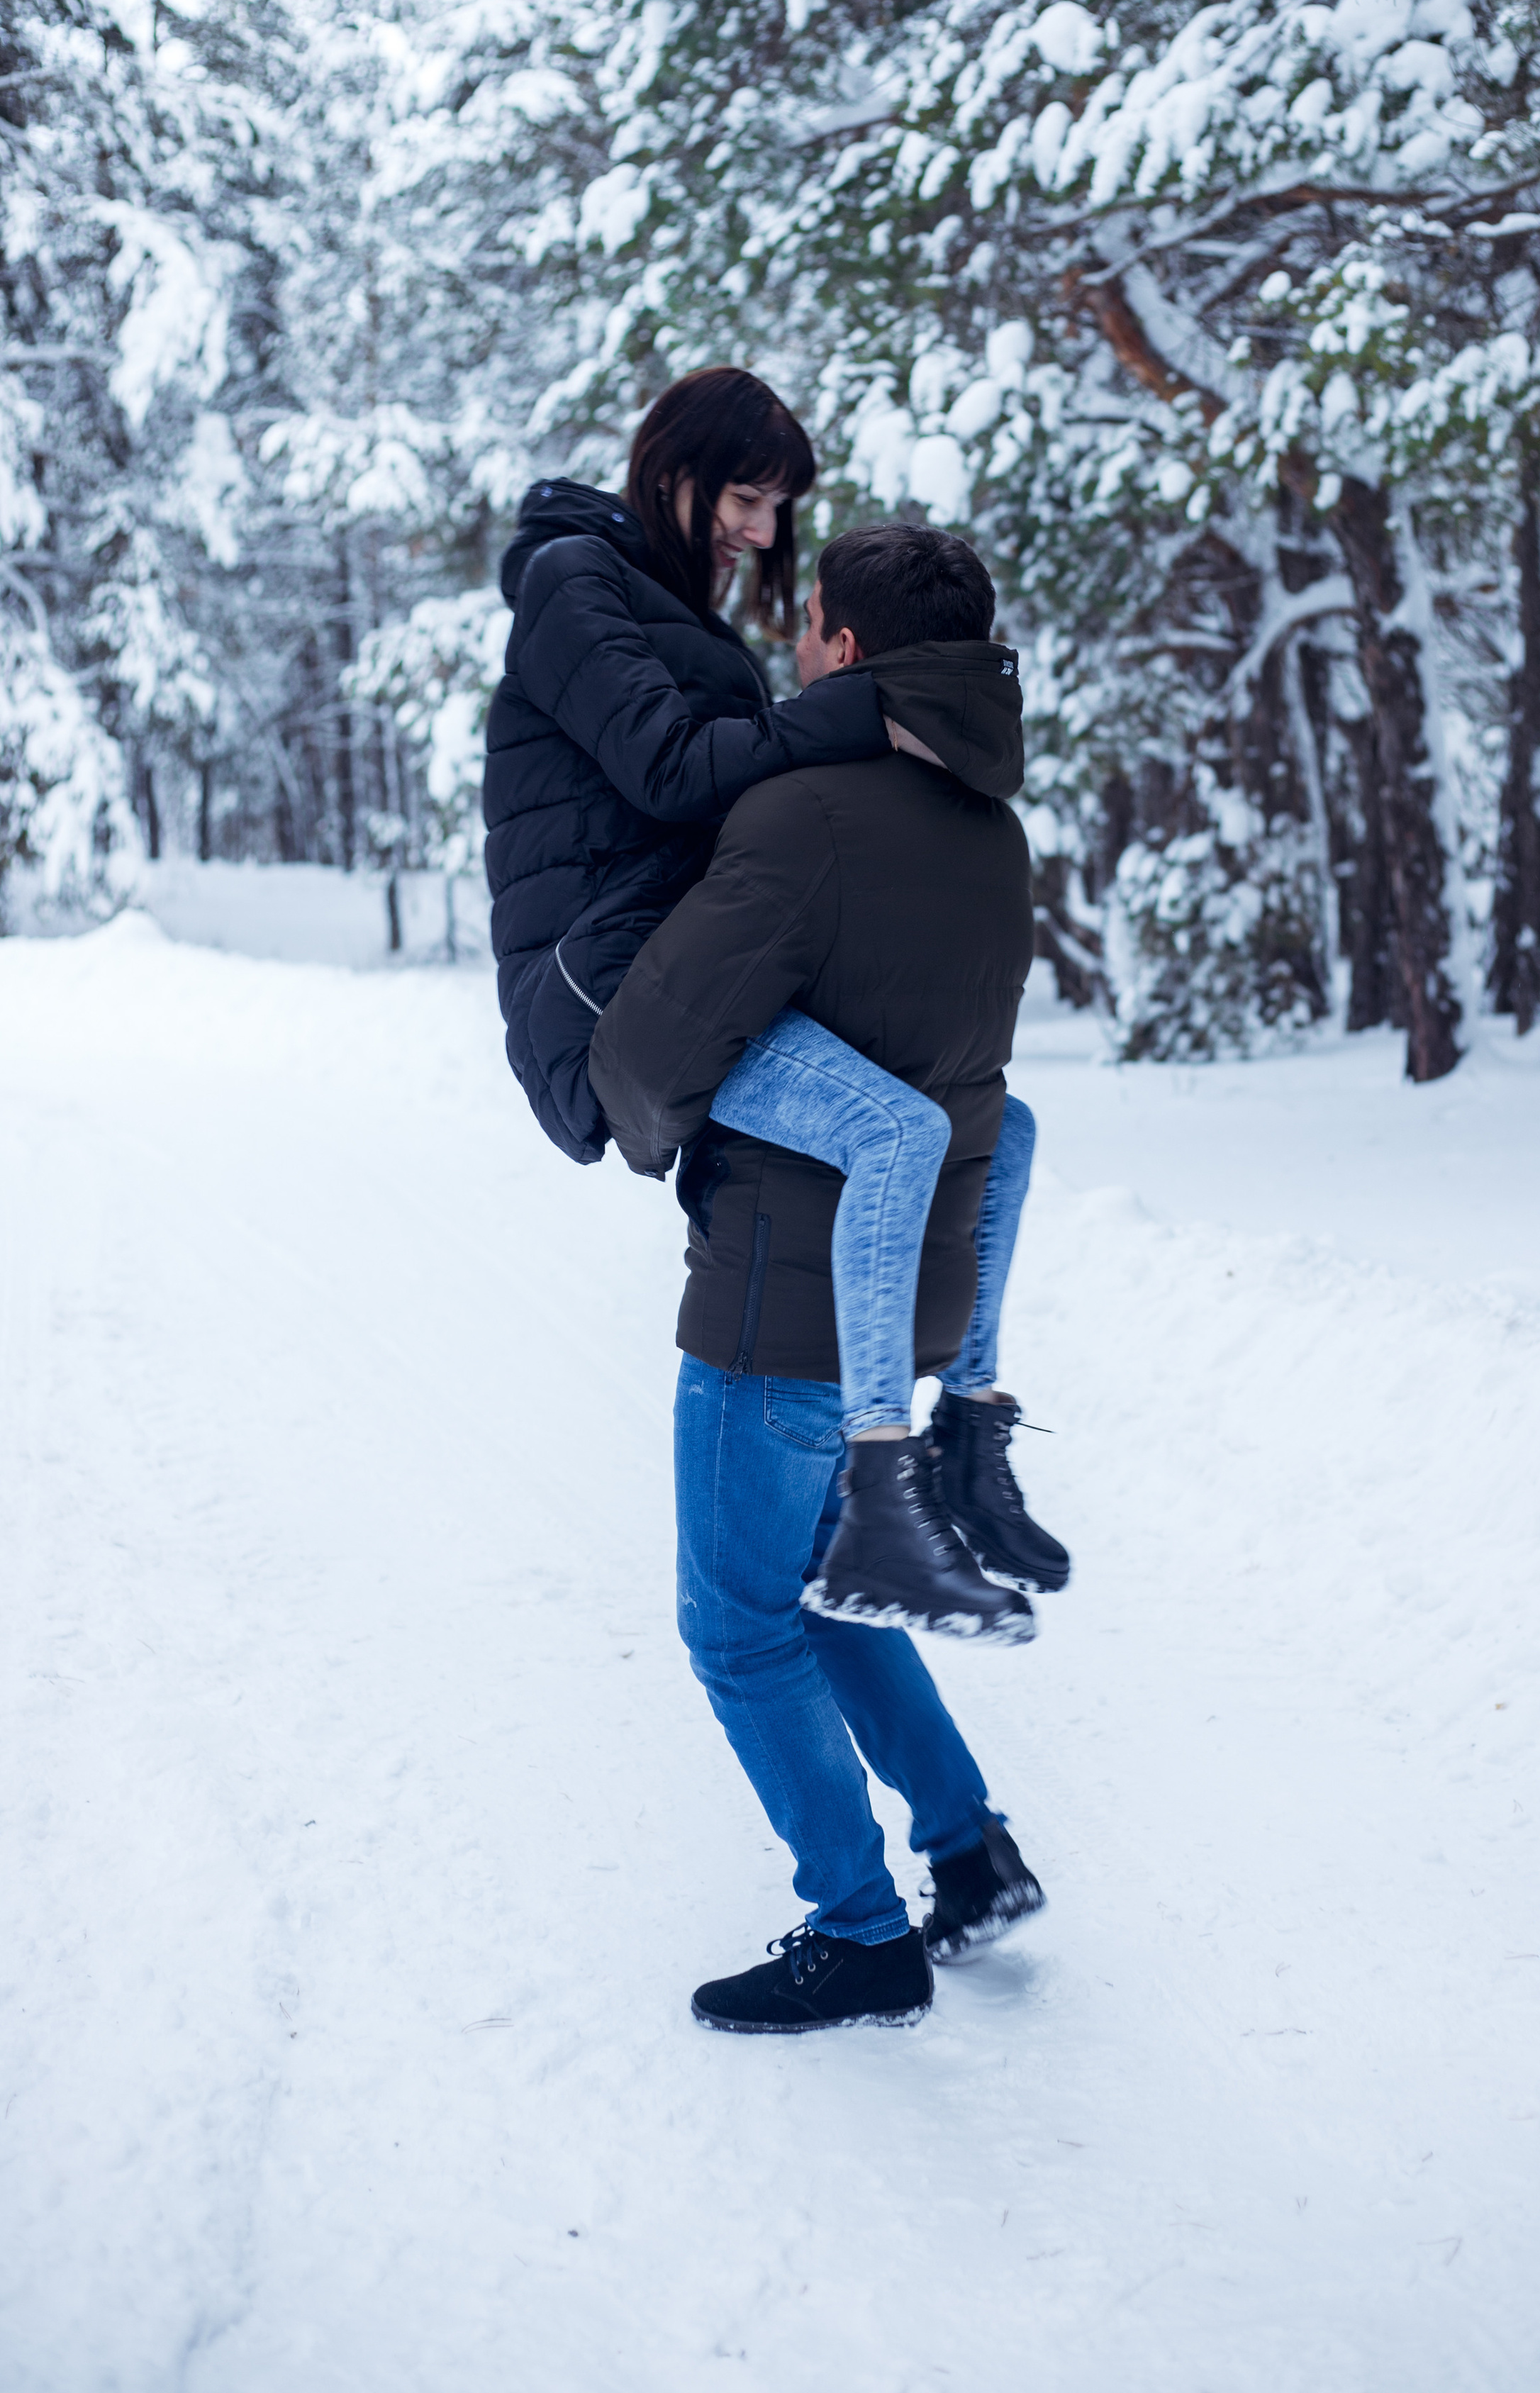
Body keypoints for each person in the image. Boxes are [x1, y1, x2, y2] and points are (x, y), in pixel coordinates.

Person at [484, 367, 1066, 1637]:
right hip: (607, 990)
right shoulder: (569, 582)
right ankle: (881, 1486)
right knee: (901, 1130)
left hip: (680, 962)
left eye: (776, 505)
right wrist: (864, 704)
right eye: (745, 495)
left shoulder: (679, 618)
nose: (758, 527)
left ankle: (966, 1433)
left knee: (995, 1127)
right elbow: (673, 769)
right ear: (673, 465)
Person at [588, 520, 1054, 2034]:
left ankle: (858, 1929)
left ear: (848, 651)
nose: (792, 654)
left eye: (808, 633)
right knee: (824, 1583)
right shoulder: (996, 830)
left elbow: (660, 1043)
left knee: (735, 1622)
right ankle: (966, 1850)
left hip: (776, 1296)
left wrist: (646, 1122)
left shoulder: (804, 817)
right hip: (902, 1292)